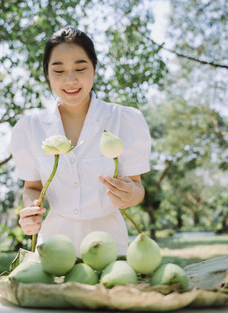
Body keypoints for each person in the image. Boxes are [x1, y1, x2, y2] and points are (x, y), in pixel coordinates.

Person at [11, 26, 151, 257]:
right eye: (58, 70)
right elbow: (32, 187)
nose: (70, 79)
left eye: (80, 68)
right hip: (53, 250)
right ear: (47, 74)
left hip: (110, 248)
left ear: (94, 70)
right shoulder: (30, 127)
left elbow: (137, 186)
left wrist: (131, 195)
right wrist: (30, 210)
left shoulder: (124, 119)